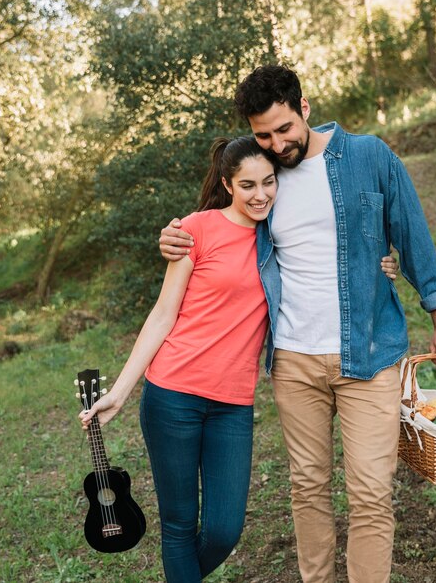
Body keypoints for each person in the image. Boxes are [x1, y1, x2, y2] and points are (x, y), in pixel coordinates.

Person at [159, 65, 436, 583]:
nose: (277, 145)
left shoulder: (369, 156)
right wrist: (173, 236)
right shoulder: (260, 172)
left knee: (371, 491)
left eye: (284, 129)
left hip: (368, 353)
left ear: (304, 109)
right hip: (295, 359)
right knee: (308, 488)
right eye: (263, 135)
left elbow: (410, 232)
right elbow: (217, 224)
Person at [78, 136, 279, 583]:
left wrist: (383, 262)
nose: (260, 194)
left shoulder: (279, 233)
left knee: (225, 529)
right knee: (180, 525)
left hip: (233, 405)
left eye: (268, 182)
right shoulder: (197, 229)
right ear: (228, 183)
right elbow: (163, 313)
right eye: (248, 184)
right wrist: (120, 391)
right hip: (173, 396)